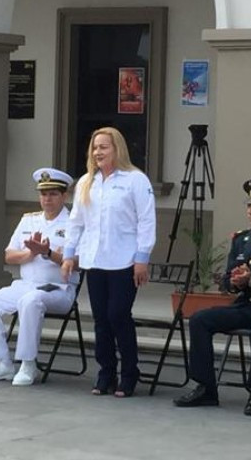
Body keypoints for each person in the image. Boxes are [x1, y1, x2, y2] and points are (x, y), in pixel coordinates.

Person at [173, 180, 251, 416]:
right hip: (246, 305)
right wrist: (233, 282)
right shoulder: (241, 239)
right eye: (249, 206)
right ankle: (206, 388)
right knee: (200, 319)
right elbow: (227, 279)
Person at [61, 127, 156, 398]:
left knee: (118, 315)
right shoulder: (86, 182)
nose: (98, 152)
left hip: (125, 260)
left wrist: (142, 258)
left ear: (117, 149)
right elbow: (76, 221)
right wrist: (69, 255)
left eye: (104, 146)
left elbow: (146, 220)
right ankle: (106, 372)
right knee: (101, 319)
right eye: (95, 147)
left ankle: (130, 373)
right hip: (95, 260)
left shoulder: (135, 180)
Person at [0, 167, 79, 386]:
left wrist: (49, 253)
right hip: (25, 284)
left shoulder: (74, 223)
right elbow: (9, 255)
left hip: (58, 288)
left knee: (30, 301)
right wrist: (30, 253)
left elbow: (80, 263)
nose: (47, 199)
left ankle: (28, 363)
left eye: (53, 194)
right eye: (43, 194)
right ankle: (2, 363)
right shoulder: (29, 220)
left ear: (64, 195)